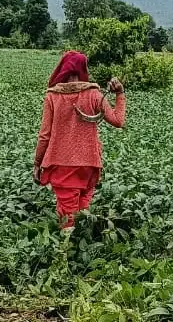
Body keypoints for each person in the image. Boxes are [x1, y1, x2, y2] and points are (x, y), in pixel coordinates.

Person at [33, 51, 126, 230]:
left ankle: (65, 251)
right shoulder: (94, 94)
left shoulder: (53, 96)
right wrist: (120, 93)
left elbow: (45, 135)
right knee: (81, 210)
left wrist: (38, 163)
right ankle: (80, 246)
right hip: (89, 164)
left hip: (62, 164)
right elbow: (118, 120)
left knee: (67, 216)